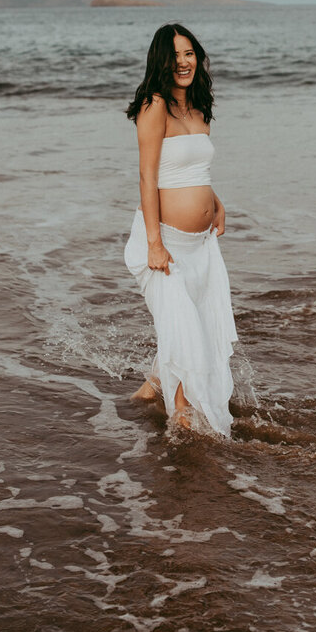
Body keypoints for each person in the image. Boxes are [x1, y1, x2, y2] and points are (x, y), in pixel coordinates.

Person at [124, 24, 237, 436]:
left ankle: (148, 392)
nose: (183, 62)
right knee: (185, 331)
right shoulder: (155, 106)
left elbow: (193, 169)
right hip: (164, 245)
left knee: (199, 326)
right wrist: (154, 243)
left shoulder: (199, 105)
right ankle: (183, 425)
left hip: (200, 245)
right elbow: (147, 177)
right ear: (162, 61)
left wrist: (215, 202)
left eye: (189, 53)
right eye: (175, 55)